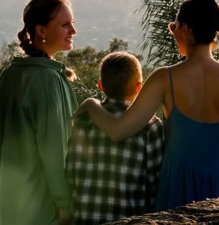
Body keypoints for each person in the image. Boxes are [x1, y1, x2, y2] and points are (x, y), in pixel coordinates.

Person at [76, 0, 219, 211]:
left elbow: (118, 130)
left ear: (187, 30)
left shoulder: (165, 79)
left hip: (177, 190)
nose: (172, 32)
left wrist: (90, 104)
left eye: (175, 26)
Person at [0, 0, 78, 225]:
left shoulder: (10, 74)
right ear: (41, 31)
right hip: (43, 209)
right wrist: (64, 204)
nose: (73, 30)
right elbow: (56, 149)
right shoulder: (47, 79)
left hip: (12, 207)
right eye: (64, 24)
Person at [65, 51, 164, 225]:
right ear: (139, 87)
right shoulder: (150, 126)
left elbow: (70, 173)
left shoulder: (83, 121)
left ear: (100, 85)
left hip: (84, 218)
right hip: (130, 219)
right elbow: (154, 184)